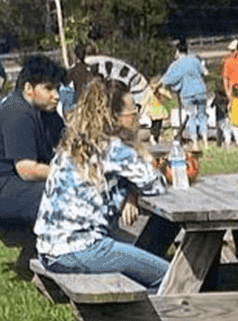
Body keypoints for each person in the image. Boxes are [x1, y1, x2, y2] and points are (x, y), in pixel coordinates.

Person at [33, 77, 171, 291]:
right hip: (82, 249)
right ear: (114, 118)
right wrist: (134, 186)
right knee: (171, 279)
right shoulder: (115, 149)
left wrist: (130, 193)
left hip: (50, 249)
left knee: (146, 264)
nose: (138, 117)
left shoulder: (74, 144)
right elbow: (156, 184)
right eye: (134, 111)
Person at [0, 53, 66, 238]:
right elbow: (27, 170)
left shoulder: (48, 116)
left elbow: (69, 146)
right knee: (65, 196)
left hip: (12, 185)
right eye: (49, 89)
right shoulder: (18, 113)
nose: (56, 96)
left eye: (57, 89)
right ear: (28, 88)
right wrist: (72, 175)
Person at [159, 40, 210, 147]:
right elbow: (205, 72)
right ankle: (205, 141)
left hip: (187, 93)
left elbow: (167, 79)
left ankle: (195, 142)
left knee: (191, 116)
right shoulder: (195, 60)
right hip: (201, 91)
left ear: (177, 51)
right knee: (202, 116)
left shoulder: (176, 64)